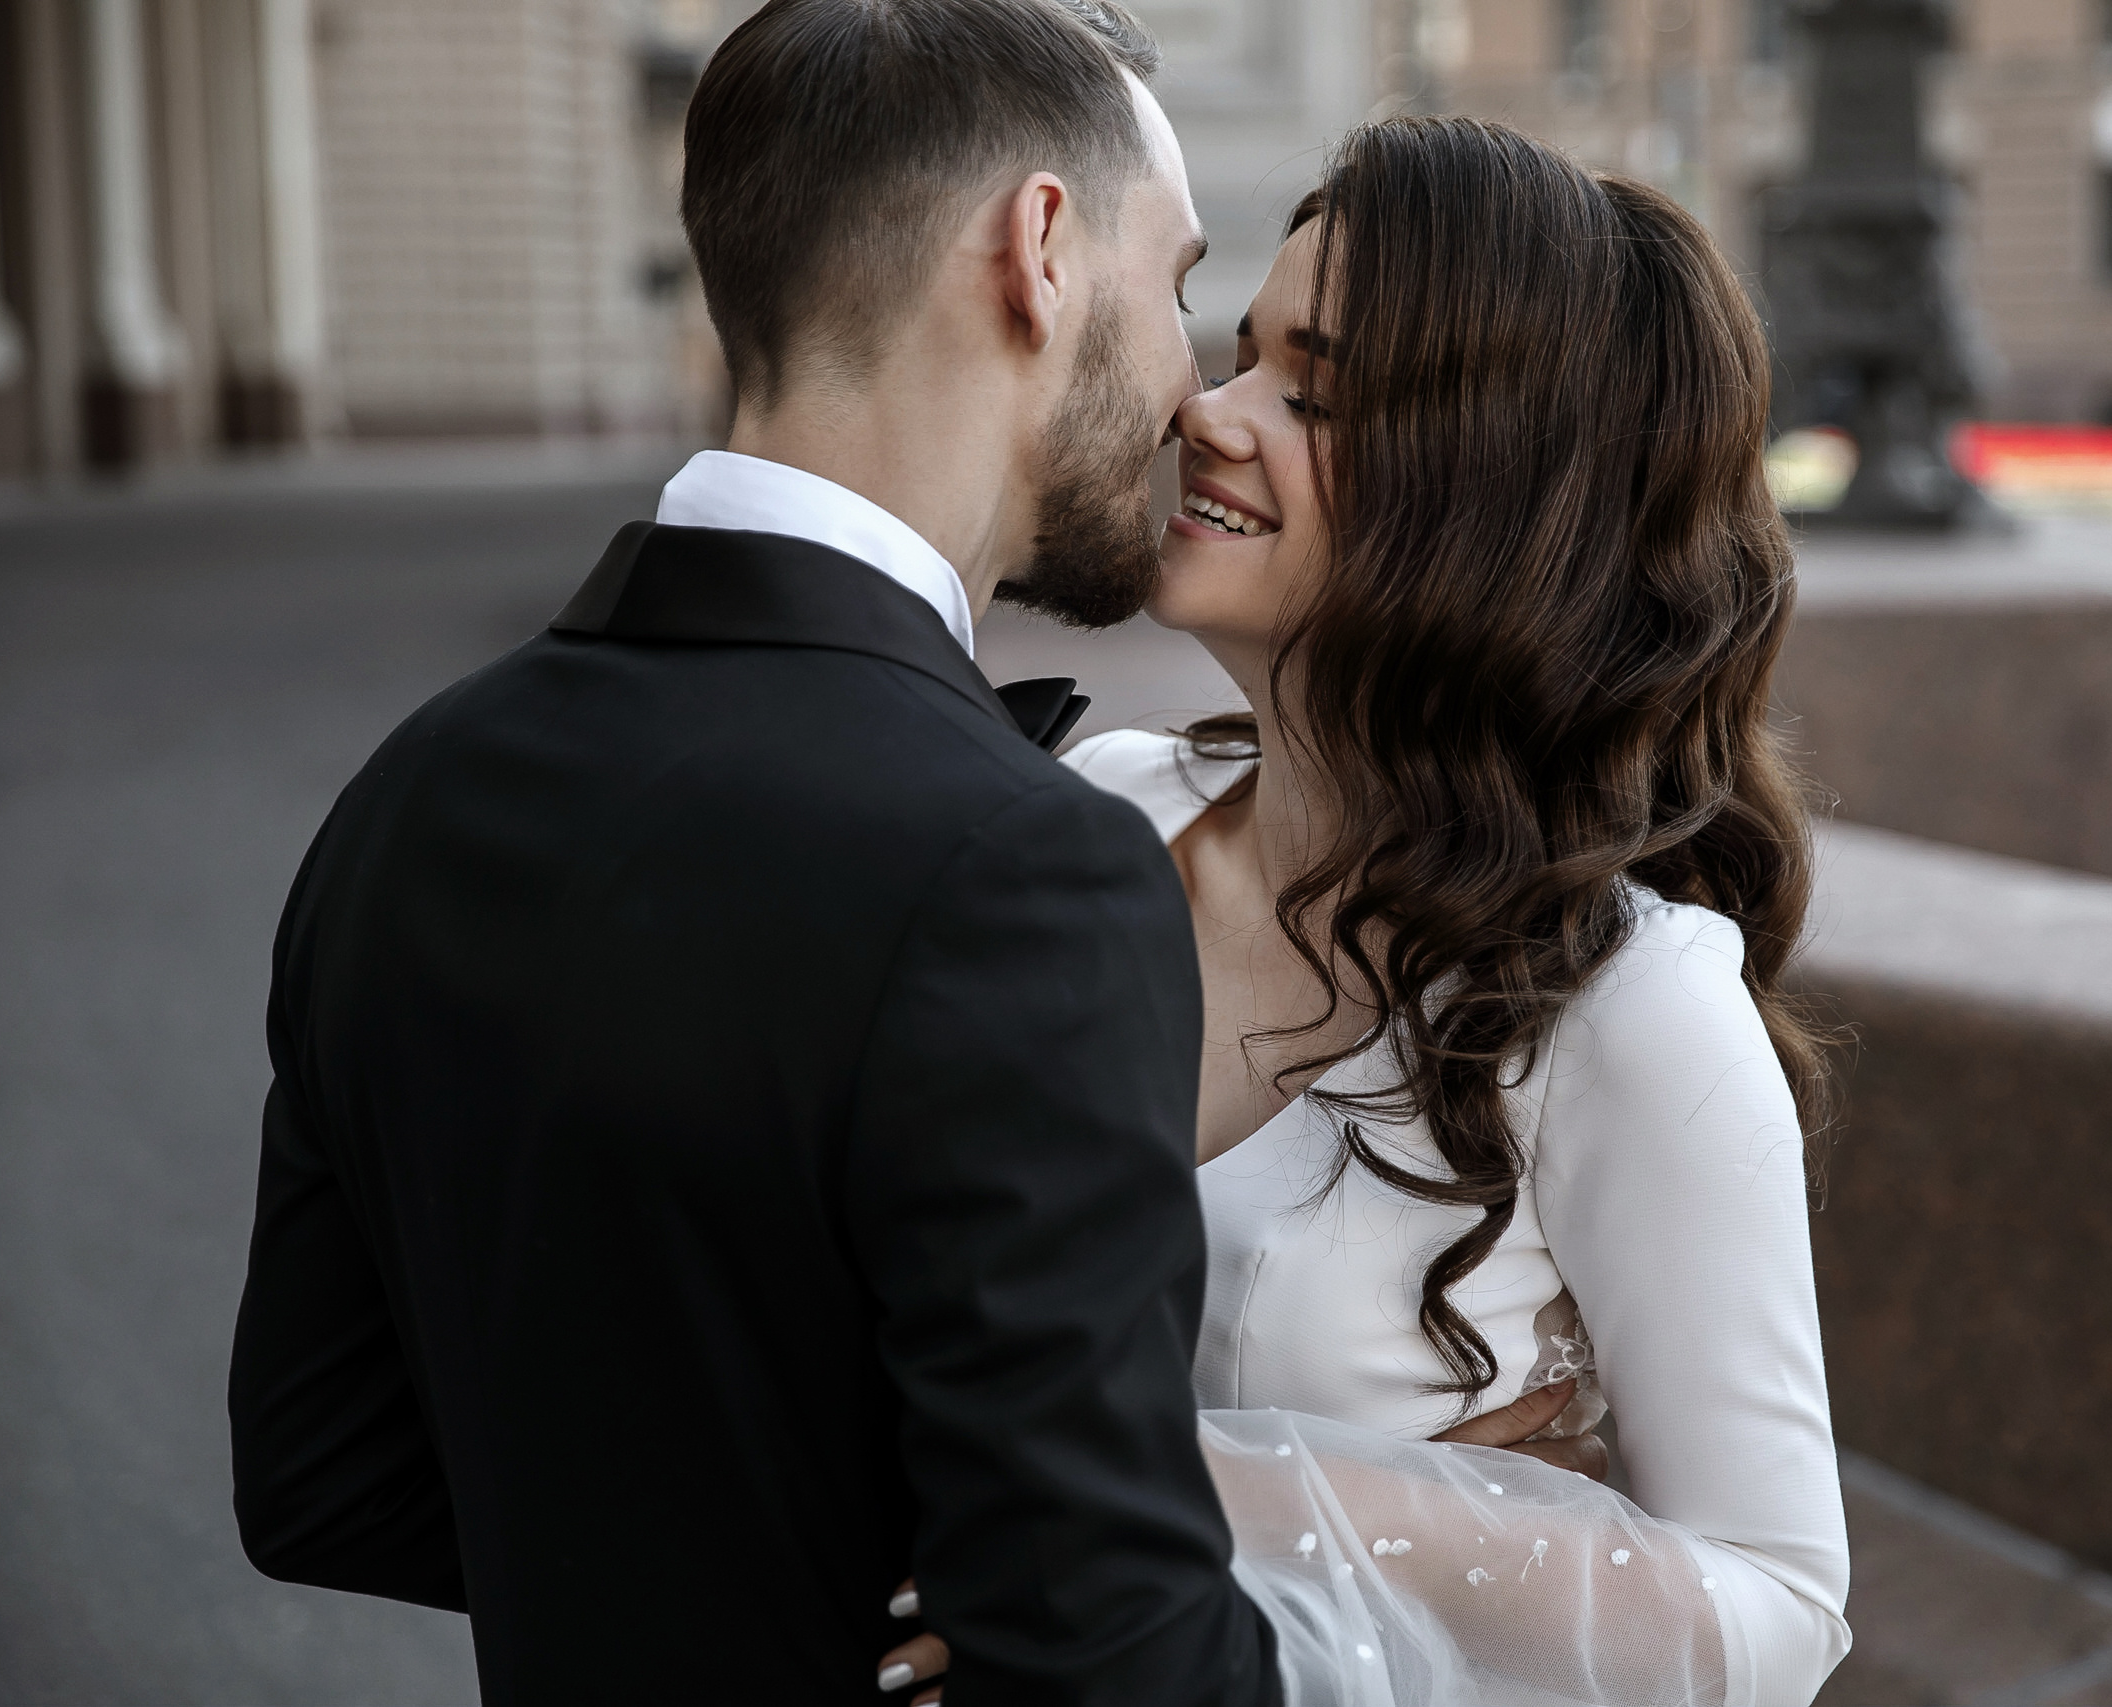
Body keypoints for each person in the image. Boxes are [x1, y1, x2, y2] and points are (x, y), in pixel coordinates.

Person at [225, 2, 1289, 1701]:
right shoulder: (1025, 875)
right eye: (1176, 286)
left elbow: (324, 1482)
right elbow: (1117, 1654)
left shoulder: (407, 798)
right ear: (1039, 252)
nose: (1187, 388)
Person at [1056, 117, 1855, 1706]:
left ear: (1495, 506)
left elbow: (1778, 1614)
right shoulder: (1087, 818)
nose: (1205, 416)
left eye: (1318, 394)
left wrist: (1279, 1494)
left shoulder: (1629, 1010)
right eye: (1241, 355)